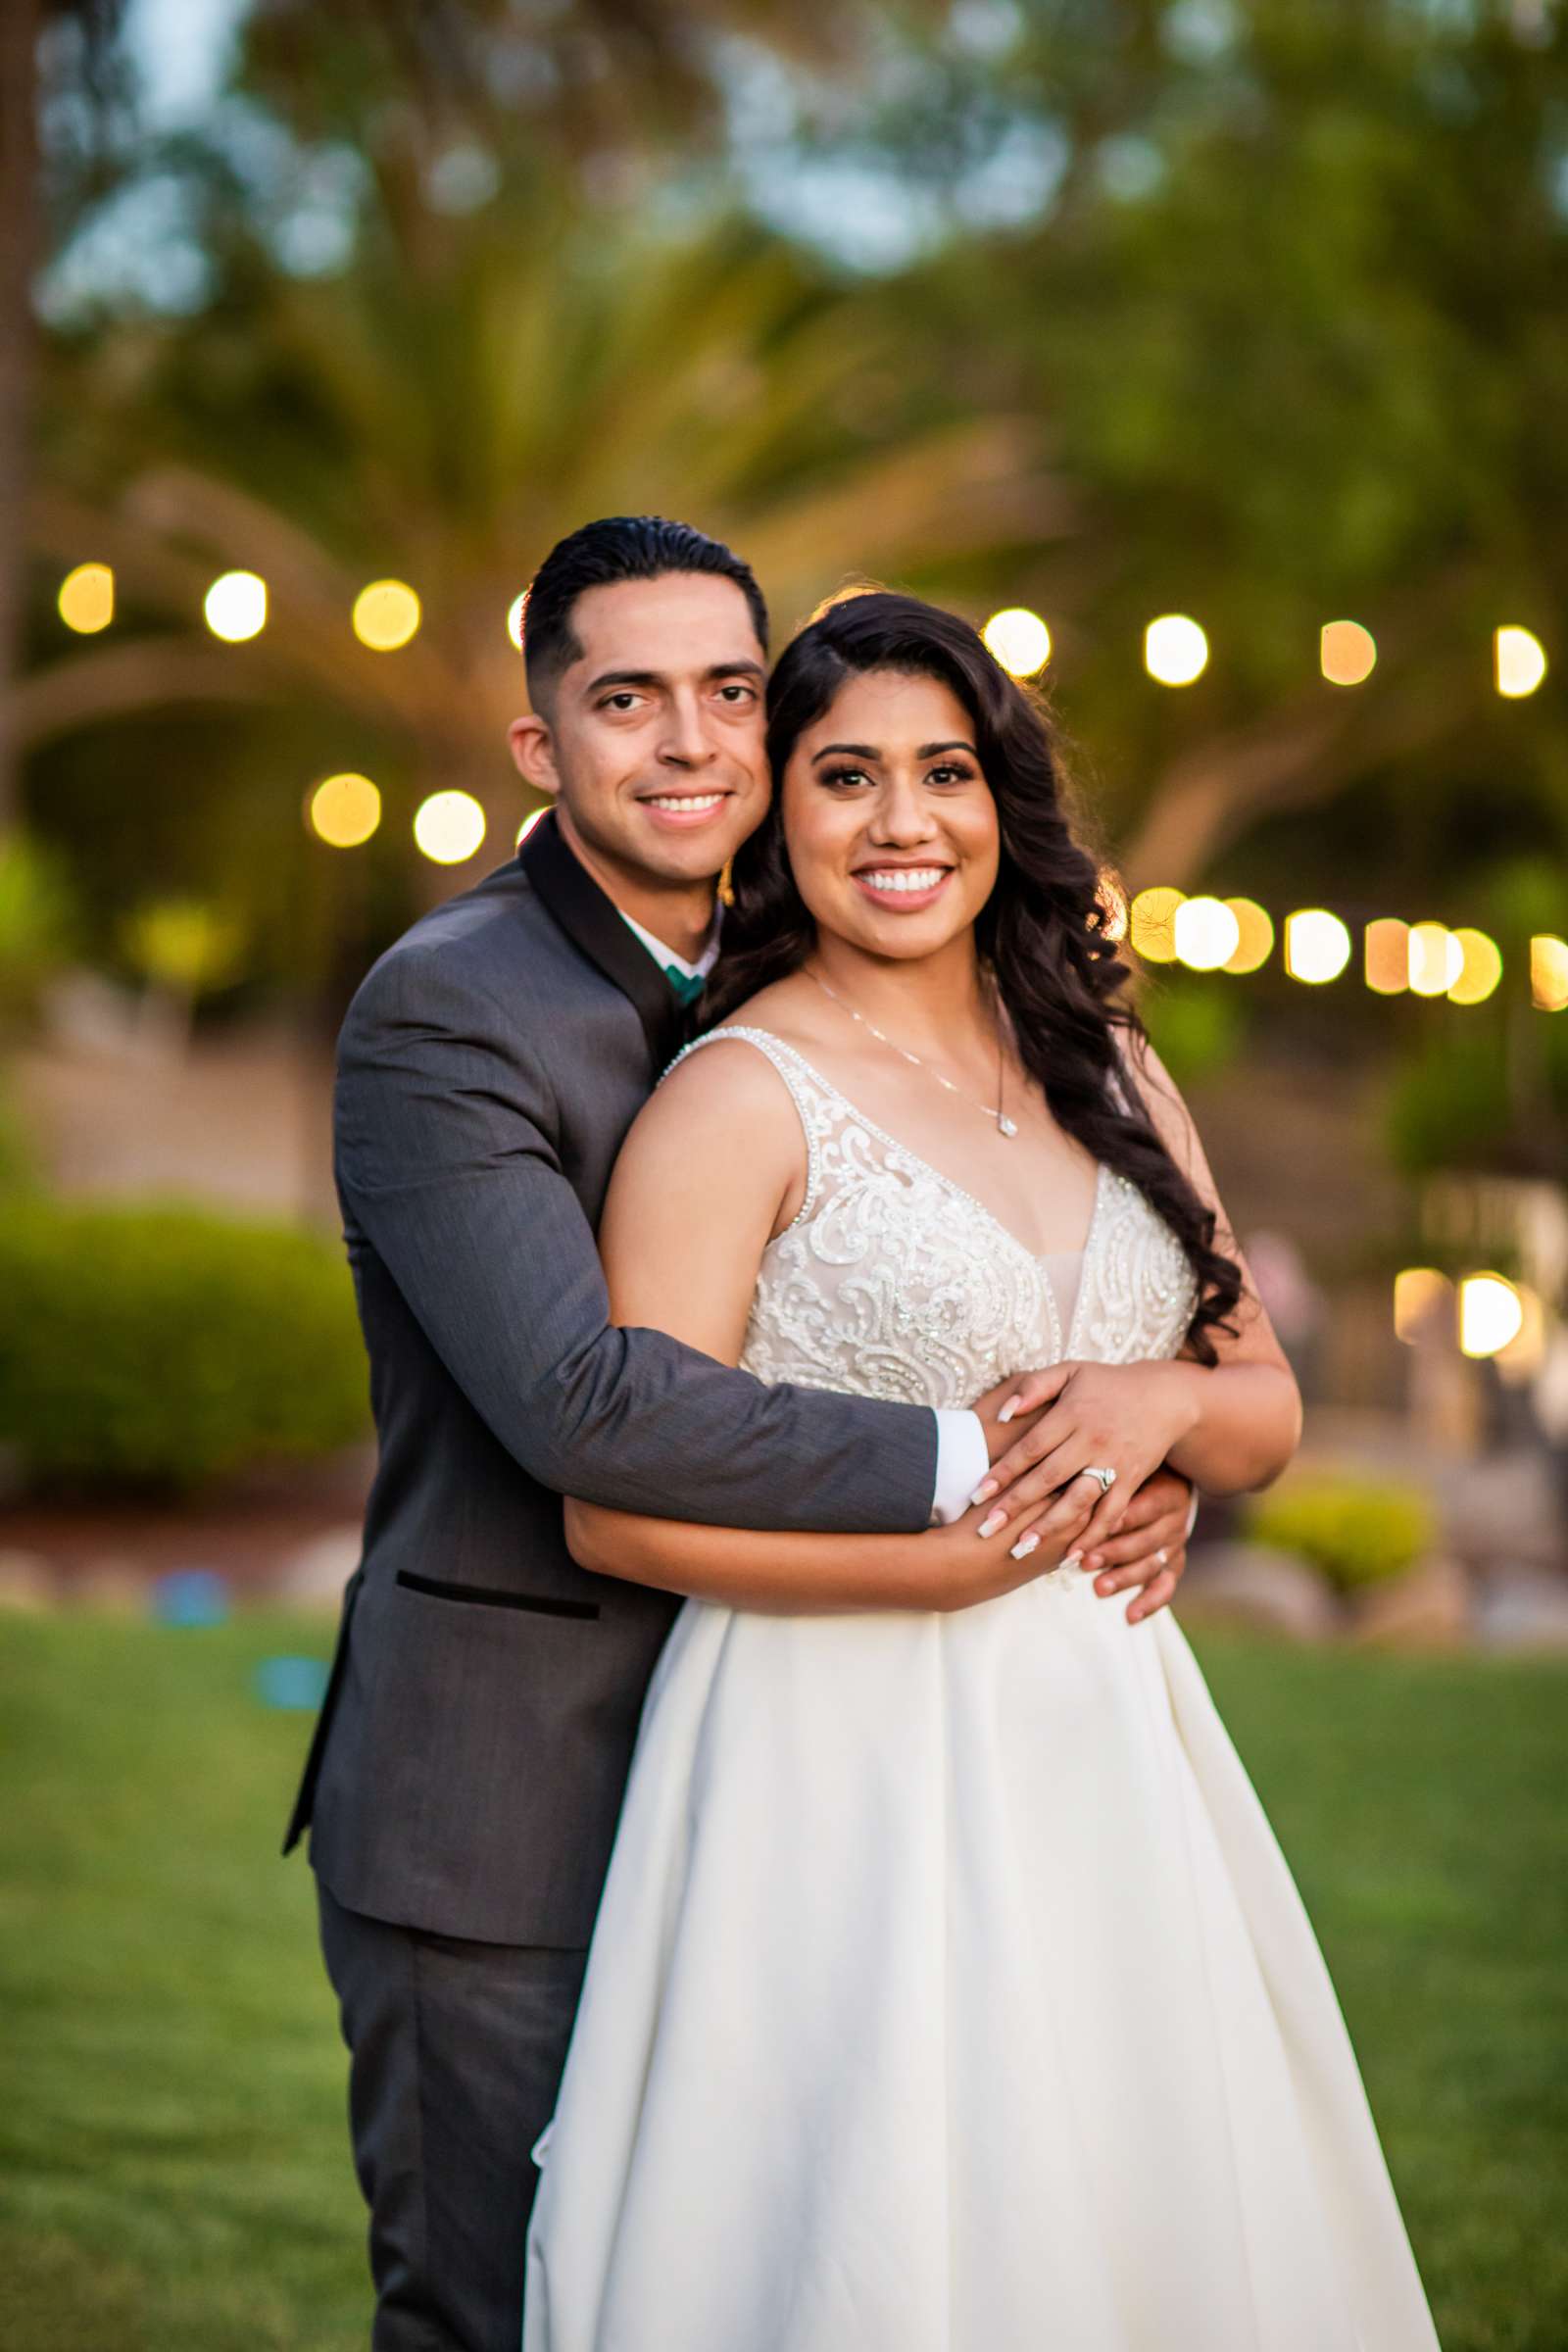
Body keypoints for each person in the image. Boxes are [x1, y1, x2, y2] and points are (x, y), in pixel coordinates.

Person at [283, 519, 1194, 2352]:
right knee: (501, 2311)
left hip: (807, 1793)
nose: (691, 743)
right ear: (542, 743)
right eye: (629, 700)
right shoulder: (449, 1007)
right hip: (514, 1805)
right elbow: (585, 1406)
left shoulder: (835, 986)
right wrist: (1004, 1467)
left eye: (726, 695)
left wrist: (1152, 1445)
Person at [522, 591, 1441, 2350]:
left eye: (943, 773)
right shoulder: (734, 1099)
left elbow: (1259, 1406)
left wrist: (1152, 1413)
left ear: (998, 799)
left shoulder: (1110, 1068)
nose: (899, 824)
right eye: (845, 776)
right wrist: (946, 1573)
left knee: (1126, 2202)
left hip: (1108, 1741)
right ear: (779, 809)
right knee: (872, 2219)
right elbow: (615, 1502)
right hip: (827, 1746)